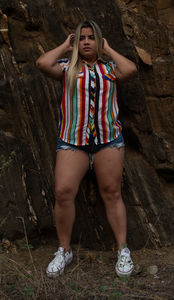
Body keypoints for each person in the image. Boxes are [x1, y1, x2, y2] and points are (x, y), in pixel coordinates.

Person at [36, 20, 137, 278]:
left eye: (92, 38)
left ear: (99, 40)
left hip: (108, 140)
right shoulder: (68, 67)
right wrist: (65, 46)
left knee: (112, 193)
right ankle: (64, 250)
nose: (87, 42)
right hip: (73, 141)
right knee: (63, 191)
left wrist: (108, 49)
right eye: (82, 38)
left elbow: (131, 69)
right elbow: (42, 64)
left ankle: (122, 250)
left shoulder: (110, 67)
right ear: (76, 42)